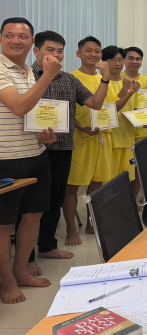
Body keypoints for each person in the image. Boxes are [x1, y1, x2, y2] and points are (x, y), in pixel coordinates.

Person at [26, 31, 108, 264]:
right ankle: (27, 258)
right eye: (50, 50)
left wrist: (105, 79)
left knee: (55, 197)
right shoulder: (26, 75)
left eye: (59, 51)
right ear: (36, 51)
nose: (56, 55)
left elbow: (95, 103)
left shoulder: (69, 80)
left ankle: (47, 245)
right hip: (32, 148)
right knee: (30, 204)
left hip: (62, 147)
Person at [0, 18, 60, 304]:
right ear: (1, 39)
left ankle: (20, 270)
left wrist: (42, 133)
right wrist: (48, 75)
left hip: (35, 153)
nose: (16, 40)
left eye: (22, 36)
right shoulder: (1, 69)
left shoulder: (28, 72)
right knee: (3, 224)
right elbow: (18, 106)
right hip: (6, 158)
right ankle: (7, 281)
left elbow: (30, 113)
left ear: (31, 42)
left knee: (34, 214)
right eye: (9, 35)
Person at [63, 36, 112, 245]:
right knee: (72, 187)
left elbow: (108, 108)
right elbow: (65, 110)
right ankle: (71, 229)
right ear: (78, 53)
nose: (93, 54)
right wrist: (81, 127)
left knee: (96, 184)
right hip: (79, 139)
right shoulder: (71, 78)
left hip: (101, 139)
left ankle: (92, 223)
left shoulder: (104, 78)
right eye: (88, 50)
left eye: (97, 51)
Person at [101, 47, 143, 199]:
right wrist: (126, 90)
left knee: (125, 179)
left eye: (120, 59)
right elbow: (109, 110)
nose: (117, 63)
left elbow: (136, 109)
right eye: (113, 60)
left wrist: (146, 121)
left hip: (127, 137)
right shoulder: (103, 83)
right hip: (109, 140)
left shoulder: (131, 83)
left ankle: (123, 208)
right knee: (108, 182)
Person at [123, 47, 147, 143]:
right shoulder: (118, 78)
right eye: (131, 58)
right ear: (124, 60)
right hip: (123, 131)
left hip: (143, 130)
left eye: (138, 59)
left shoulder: (146, 80)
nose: (134, 62)